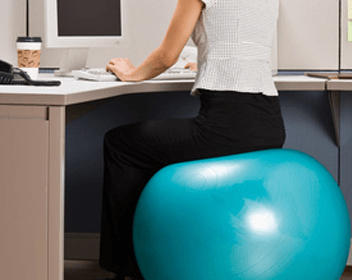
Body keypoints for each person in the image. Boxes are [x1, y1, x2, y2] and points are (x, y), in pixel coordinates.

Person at [100, 0, 285, 279]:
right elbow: (235, 41)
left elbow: (166, 56)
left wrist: (130, 72)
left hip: (226, 127)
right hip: (269, 124)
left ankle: (127, 266)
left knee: (120, 144)